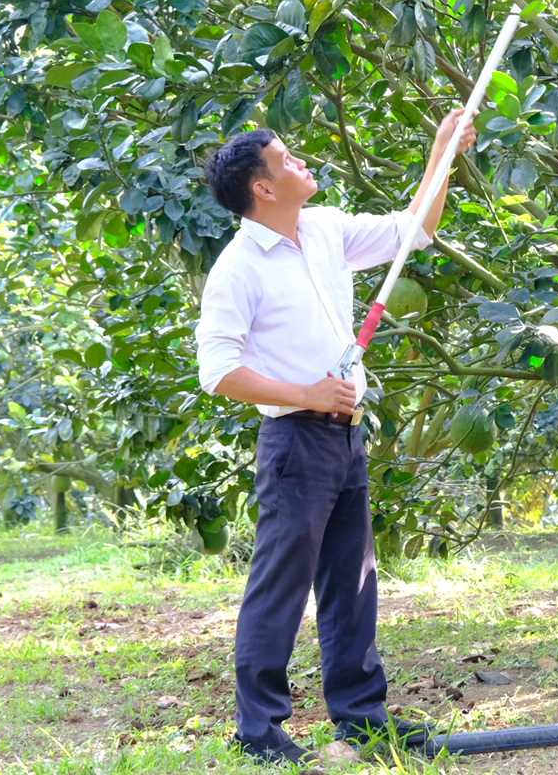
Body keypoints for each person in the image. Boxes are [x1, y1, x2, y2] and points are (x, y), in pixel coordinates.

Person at [195, 113, 475, 767]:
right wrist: (309, 394)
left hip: (345, 440)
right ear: (262, 189)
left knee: (352, 581)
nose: (302, 164)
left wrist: (441, 152)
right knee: (281, 585)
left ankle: (361, 720)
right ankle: (258, 732)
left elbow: (415, 231)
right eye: (288, 160)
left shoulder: (323, 229)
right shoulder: (239, 268)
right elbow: (218, 372)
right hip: (293, 443)